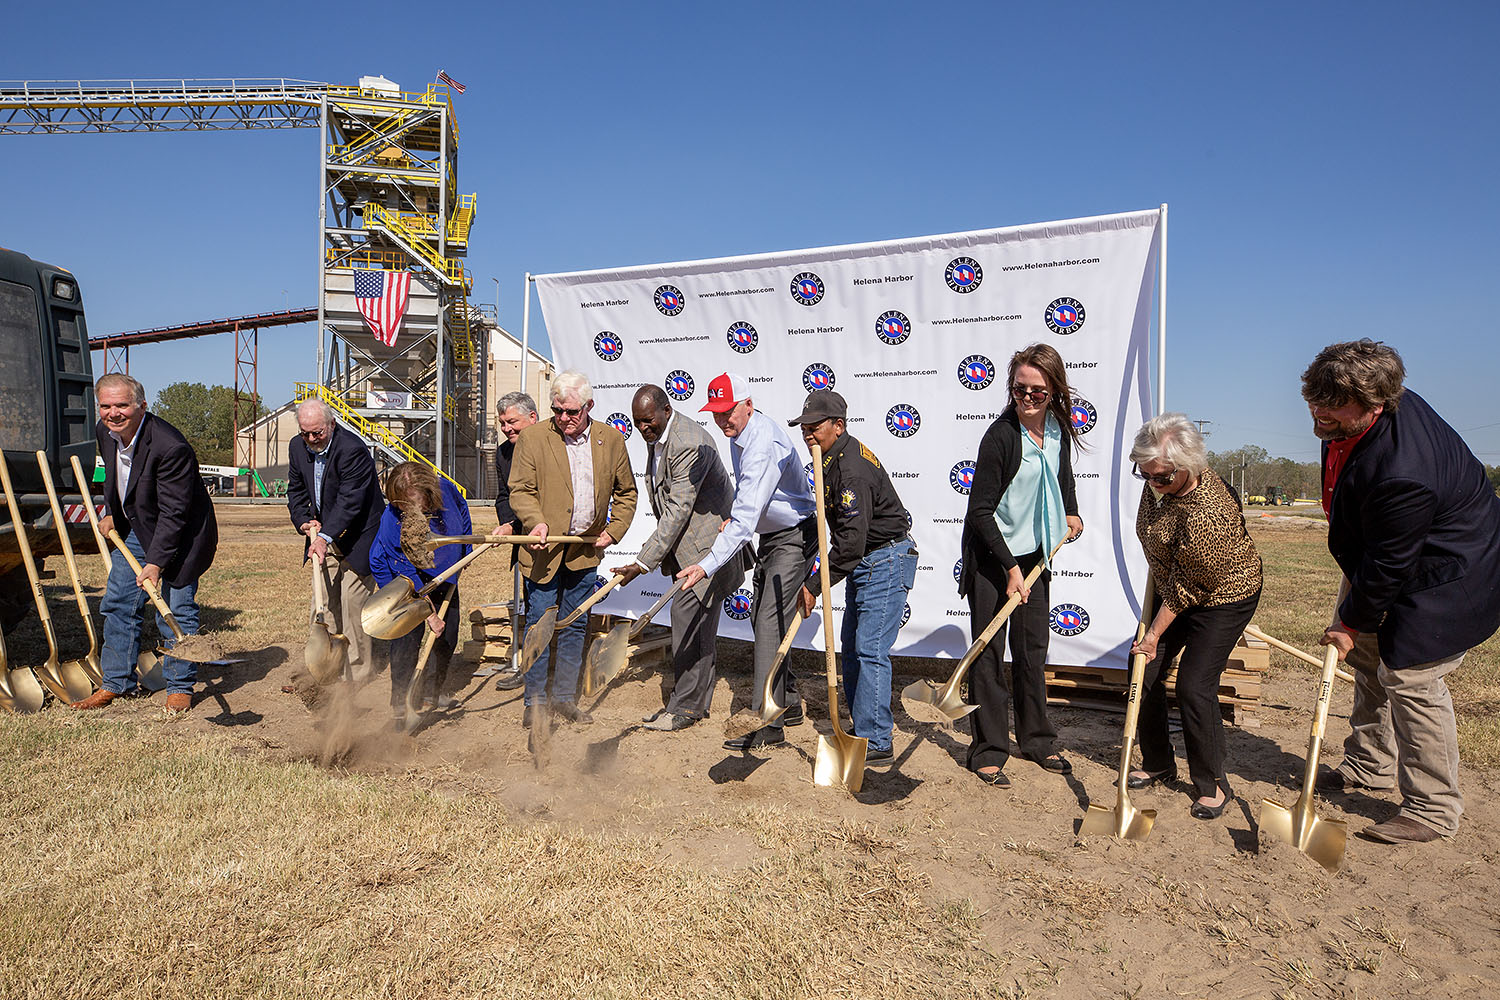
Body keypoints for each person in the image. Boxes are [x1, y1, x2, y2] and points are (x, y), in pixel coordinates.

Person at [1302, 339, 1500, 844]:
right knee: (1367, 659)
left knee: (1410, 677)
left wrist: (1349, 620)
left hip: (1450, 572)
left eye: (1331, 406)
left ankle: (1433, 808)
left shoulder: (1403, 472)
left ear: (1376, 405)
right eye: (1313, 400)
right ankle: (1369, 766)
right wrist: (1357, 625)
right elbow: (1383, 553)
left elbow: (1393, 564)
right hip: (1388, 553)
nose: (1318, 413)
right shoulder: (1365, 407)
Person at [957, 344, 1083, 787]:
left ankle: (1037, 740)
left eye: (1037, 392)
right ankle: (989, 749)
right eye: (1019, 389)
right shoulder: (1000, 437)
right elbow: (980, 512)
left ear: (1054, 392)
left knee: (1032, 651)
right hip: (994, 558)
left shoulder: (1057, 429)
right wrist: (1009, 568)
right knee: (989, 653)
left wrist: (1071, 511)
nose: (1027, 398)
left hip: (1035, 554)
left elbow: (1061, 475)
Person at [1127, 414, 1262, 819]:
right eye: (1145, 474)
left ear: (1187, 466)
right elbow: (1157, 541)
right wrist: (1149, 640)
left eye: (1162, 477)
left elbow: (1192, 584)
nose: (1153, 484)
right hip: (1174, 586)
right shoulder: (1158, 484)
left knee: (1193, 685)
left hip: (1223, 596)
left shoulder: (1210, 509)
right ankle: (1158, 762)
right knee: (1144, 671)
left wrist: (1154, 633)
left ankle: (1213, 784)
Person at [677, 372, 817, 752]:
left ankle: (767, 725)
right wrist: (740, 517)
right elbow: (751, 503)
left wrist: (706, 565)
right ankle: (785, 702)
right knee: (761, 618)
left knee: (770, 622)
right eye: (716, 413)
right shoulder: (740, 435)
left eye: (729, 412)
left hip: (796, 534)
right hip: (773, 534)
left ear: (748, 405)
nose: (723, 421)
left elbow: (747, 518)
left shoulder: (762, 444)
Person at [73, 373, 218, 714]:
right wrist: (113, 514)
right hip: (138, 528)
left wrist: (155, 563)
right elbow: (118, 479)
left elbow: (174, 512)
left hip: (182, 536)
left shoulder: (170, 446)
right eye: (106, 406)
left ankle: (180, 686)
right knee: (119, 601)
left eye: (122, 405)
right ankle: (116, 682)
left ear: (141, 405)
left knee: (175, 609)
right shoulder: (105, 433)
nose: (113, 413)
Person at [790, 390, 918, 768]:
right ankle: (861, 727)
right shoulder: (831, 457)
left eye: (815, 427)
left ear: (838, 426)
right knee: (852, 646)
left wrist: (814, 586)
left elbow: (850, 544)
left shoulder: (851, 470)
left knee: (869, 649)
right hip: (868, 559)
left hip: (885, 559)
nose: (808, 434)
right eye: (804, 427)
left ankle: (877, 739)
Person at [609, 385, 747, 731]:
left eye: (649, 420)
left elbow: (678, 509)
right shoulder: (659, 439)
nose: (643, 429)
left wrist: (642, 563)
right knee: (696, 624)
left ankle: (685, 707)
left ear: (666, 410)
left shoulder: (687, 441)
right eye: (638, 422)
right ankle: (688, 702)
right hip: (687, 549)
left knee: (688, 619)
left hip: (709, 548)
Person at [508, 371, 637, 728]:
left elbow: (626, 493)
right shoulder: (534, 438)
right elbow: (519, 489)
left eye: (571, 411)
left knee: (575, 625)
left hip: (583, 552)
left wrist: (614, 531)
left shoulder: (610, 440)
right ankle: (534, 702)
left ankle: (564, 699)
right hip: (542, 553)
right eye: (557, 410)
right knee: (539, 624)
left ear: (589, 407)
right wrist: (535, 521)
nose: (563, 418)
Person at [286, 399, 384, 685]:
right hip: (323, 532)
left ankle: (357, 673)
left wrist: (325, 536)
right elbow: (296, 490)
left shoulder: (352, 450)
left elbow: (350, 502)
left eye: (317, 432)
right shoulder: (297, 446)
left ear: (331, 424)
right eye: (306, 433)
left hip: (360, 533)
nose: (312, 439)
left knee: (353, 602)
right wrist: (304, 520)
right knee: (323, 601)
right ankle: (324, 668)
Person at [368, 462, 471, 728]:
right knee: (405, 640)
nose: (409, 509)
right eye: (403, 505)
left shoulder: (445, 489)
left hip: (442, 570)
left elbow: (462, 510)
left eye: (415, 502)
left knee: (448, 635)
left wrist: (466, 548)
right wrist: (429, 613)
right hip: (400, 577)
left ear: (429, 493)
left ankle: (429, 695)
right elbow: (403, 567)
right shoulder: (393, 519)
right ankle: (400, 707)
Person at [488, 390, 540, 692]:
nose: (507, 428)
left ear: (532, 418)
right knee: (532, 606)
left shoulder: (553, 444)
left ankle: (558, 674)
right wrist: (508, 524)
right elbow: (505, 497)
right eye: (502, 423)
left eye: (512, 422)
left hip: (554, 540)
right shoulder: (503, 453)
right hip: (526, 545)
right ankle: (530, 670)